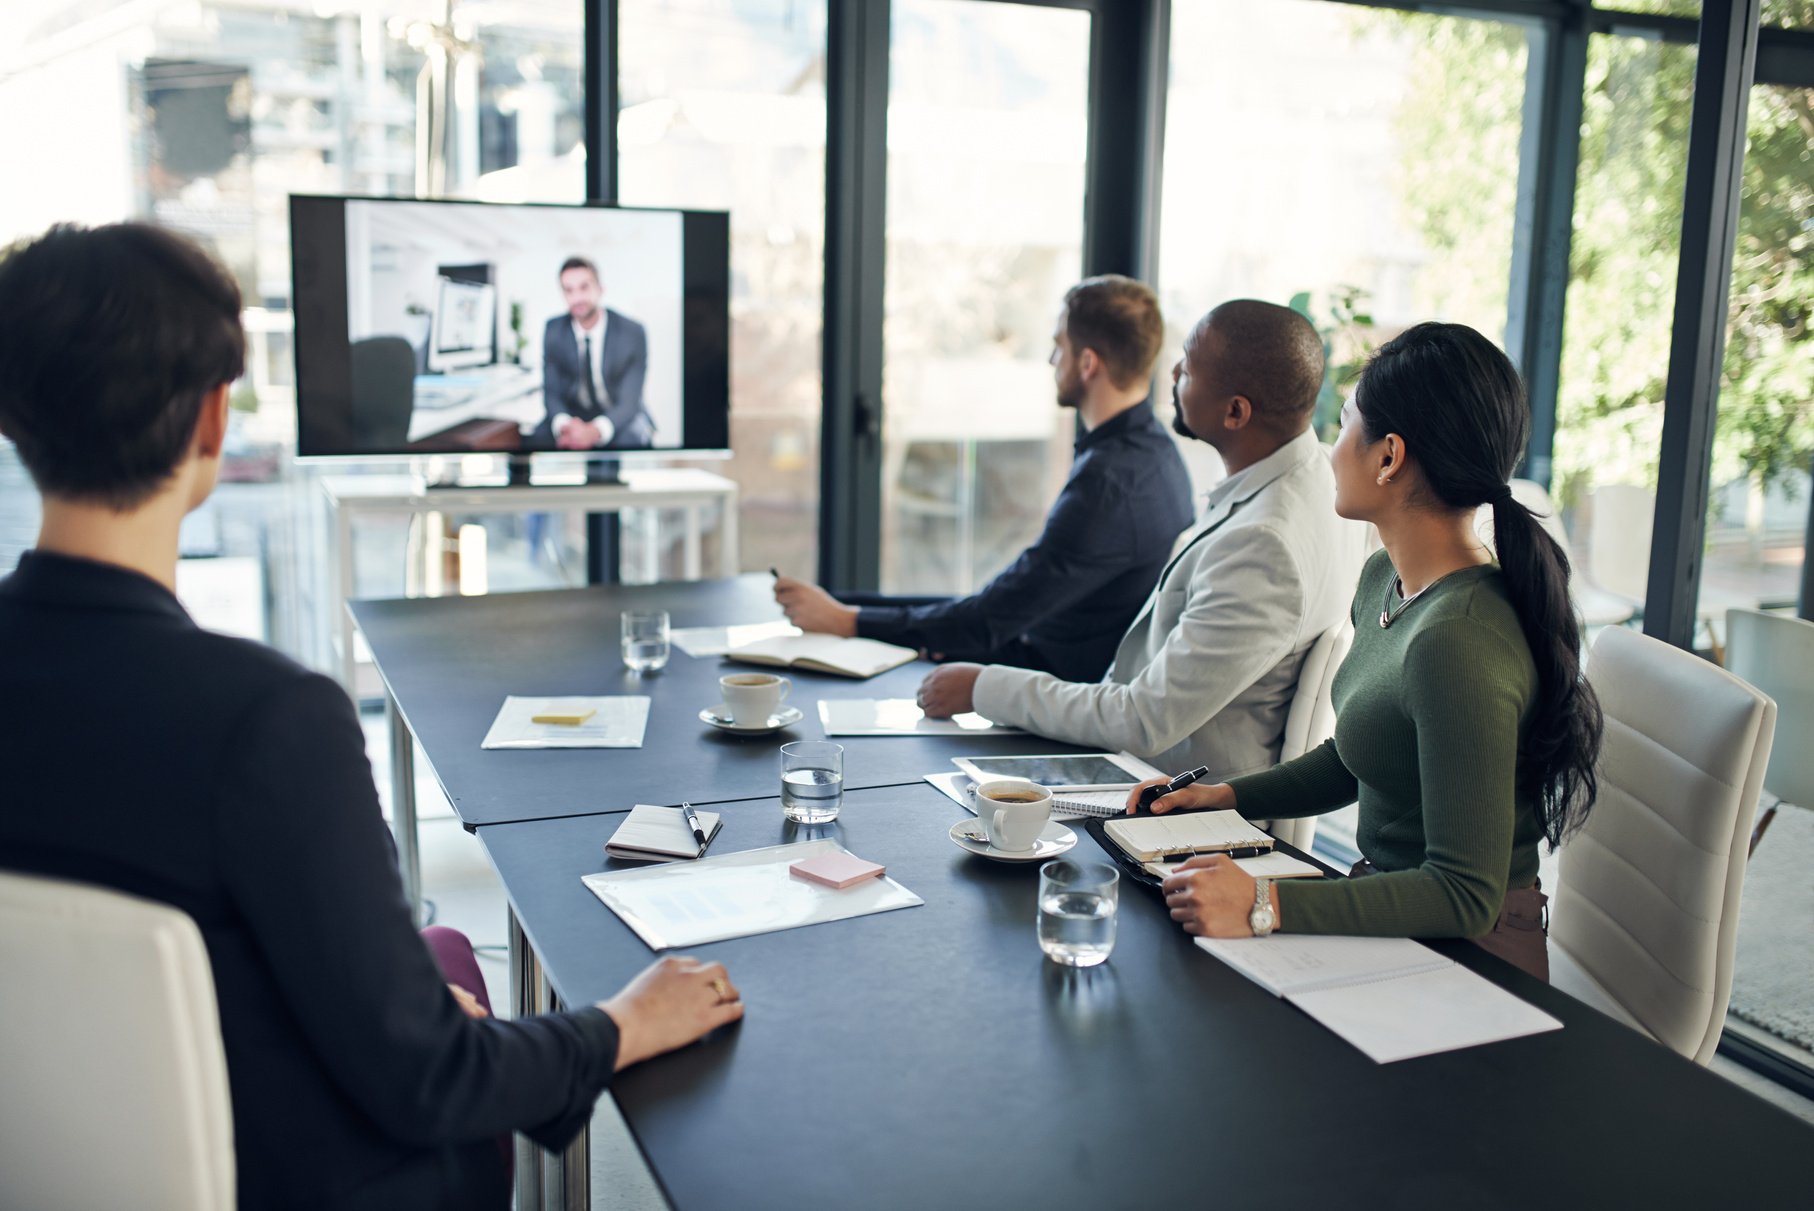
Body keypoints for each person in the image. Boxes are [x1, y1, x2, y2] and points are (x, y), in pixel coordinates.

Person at [0, 223, 741, 1210]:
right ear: (214, 421)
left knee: (437, 958)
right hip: (295, 1171)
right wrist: (621, 1023)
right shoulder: (266, 719)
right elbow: (432, 1080)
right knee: (453, 982)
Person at [1130, 322, 1604, 983]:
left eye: (1345, 424)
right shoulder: (1384, 579)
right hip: (1395, 919)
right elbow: (1361, 755)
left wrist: (1263, 902)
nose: (1329, 450)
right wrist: (1222, 796)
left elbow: (1465, 893)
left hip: (1472, 961)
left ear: (1388, 457)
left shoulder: (1457, 639)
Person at [917, 300, 1362, 780]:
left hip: (1168, 799)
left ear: (1235, 412)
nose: (1171, 372)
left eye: (1188, 368)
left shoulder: (1262, 545)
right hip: (1153, 764)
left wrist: (984, 687)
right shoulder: (1319, 477)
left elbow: (1143, 720)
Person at [775, 275, 1194, 683]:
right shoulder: (1155, 453)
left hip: (1043, 690)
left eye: (1058, 347)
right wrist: (847, 607)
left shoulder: (1108, 484)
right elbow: (1000, 604)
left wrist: (847, 621)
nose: (1051, 361)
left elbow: (988, 621)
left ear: (1087, 364)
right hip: (1038, 653)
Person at [537, 255, 652, 450]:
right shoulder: (553, 329)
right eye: (569, 290)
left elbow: (630, 401)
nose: (577, 297)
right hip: (573, 415)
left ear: (600, 289)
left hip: (617, 413)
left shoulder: (631, 332)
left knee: (631, 441)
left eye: (584, 287)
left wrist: (595, 431)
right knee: (535, 438)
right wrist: (564, 425)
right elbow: (552, 392)